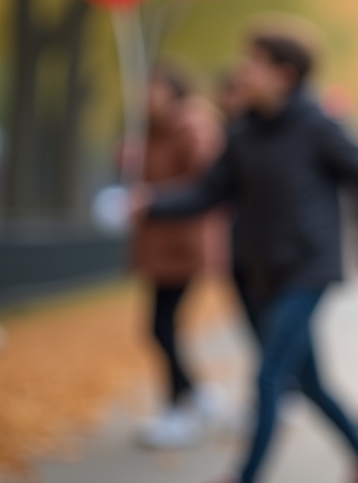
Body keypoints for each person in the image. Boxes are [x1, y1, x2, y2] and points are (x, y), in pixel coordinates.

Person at [136, 27, 358, 483]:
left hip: (309, 267)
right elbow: (208, 192)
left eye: (255, 62)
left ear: (284, 75)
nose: (244, 70)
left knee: (268, 374)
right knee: (307, 379)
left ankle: (246, 475)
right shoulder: (243, 130)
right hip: (264, 271)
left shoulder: (317, 124)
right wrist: (152, 203)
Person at [128, 67, 225, 449]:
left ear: (172, 90)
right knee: (160, 327)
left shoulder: (192, 125)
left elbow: (205, 181)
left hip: (182, 245)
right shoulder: (149, 130)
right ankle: (196, 396)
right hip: (159, 245)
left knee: (161, 327)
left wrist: (153, 200)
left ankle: (181, 407)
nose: (146, 95)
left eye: (153, 87)